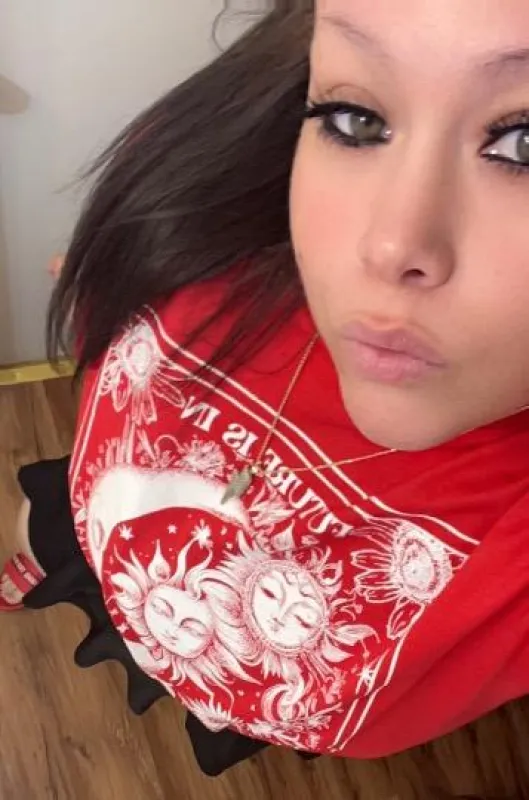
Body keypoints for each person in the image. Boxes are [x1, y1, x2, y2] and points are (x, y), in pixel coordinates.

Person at [2, 0, 529, 796]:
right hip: (110, 532)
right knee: (55, 538)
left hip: (245, 680)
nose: (389, 246)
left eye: (521, 144)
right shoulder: (209, 213)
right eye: (355, 119)